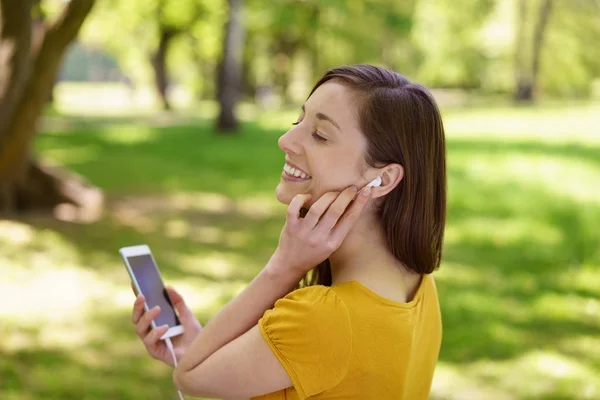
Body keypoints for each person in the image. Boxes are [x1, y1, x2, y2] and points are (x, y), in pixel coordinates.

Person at [131, 64, 446, 400]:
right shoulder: (418, 286)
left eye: (320, 135)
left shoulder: (324, 318)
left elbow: (189, 377)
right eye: (299, 121)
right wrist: (201, 347)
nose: (286, 140)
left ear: (382, 179)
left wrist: (285, 265)